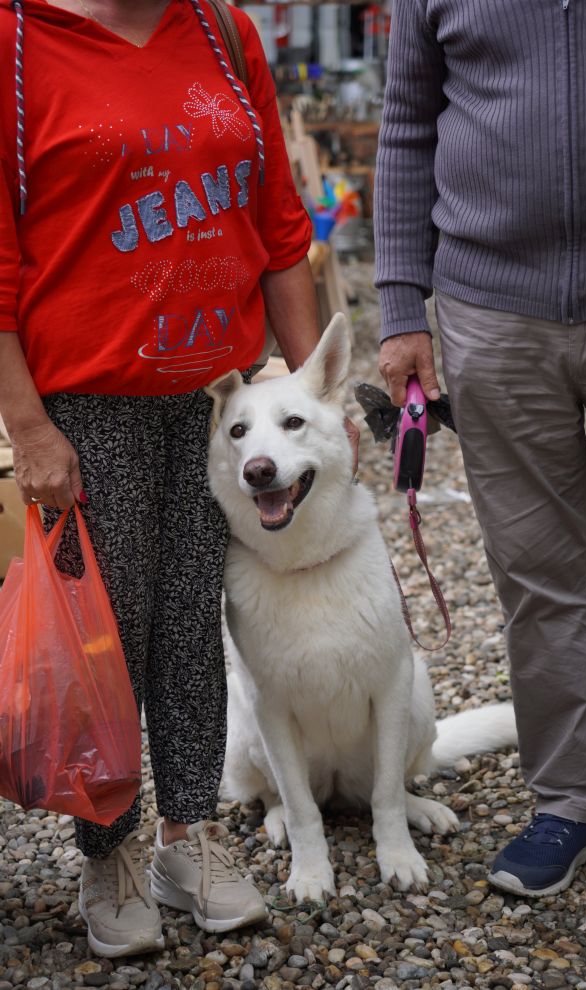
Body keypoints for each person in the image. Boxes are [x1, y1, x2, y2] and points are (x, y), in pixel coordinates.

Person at [0, 0, 348, 958]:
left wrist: (312, 400)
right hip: (88, 404)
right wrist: (27, 426)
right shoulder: (19, 42)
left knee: (194, 622)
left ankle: (186, 838)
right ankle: (106, 854)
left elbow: (278, 227)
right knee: (104, 641)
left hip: (217, 404)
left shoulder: (223, 31)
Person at [374, 0, 586, 899]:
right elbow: (407, 126)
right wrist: (399, 306)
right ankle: (574, 805)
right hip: (489, 309)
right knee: (537, 579)